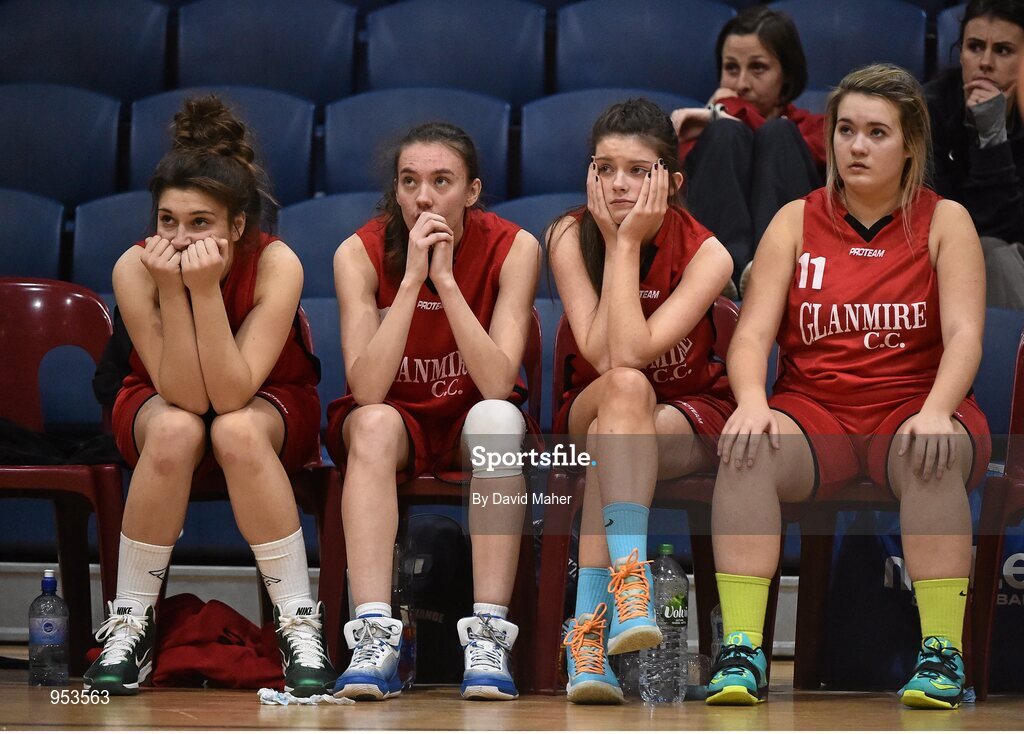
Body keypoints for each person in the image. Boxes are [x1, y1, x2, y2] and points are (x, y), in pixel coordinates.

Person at [707, 64, 991, 710]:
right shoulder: (794, 221)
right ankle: (744, 649)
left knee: (933, 449)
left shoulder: (946, 222)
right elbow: (750, 338)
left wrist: (938, 410)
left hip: (914, 401)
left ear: (911, 144)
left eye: (876, 133)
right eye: (846, 130)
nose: (857, 146)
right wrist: (752, 401)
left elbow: (966, 337)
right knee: (747, 449)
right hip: (817, 411)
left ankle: (942, 652)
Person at [84, 96, 334, 696]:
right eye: (168, 220)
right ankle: (132, 623)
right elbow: (182, 396)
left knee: (236, 428)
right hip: (158, 395)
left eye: (200, 223)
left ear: (237, 225)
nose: (178, 236)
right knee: (176, 428)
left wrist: (199, 292)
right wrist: (176, 292)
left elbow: (229, 393)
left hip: (268, 397)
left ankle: (299, 624)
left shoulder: (278, 264)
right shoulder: (135, 267)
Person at [326, 122, 540, 701]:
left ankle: (490, 635)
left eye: (441, 181)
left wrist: (444, 280)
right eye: (410, 182)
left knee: (499, 420)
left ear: (471, 191)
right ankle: (374, 633)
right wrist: (412, 277)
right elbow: (368, 386)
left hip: (473, 415)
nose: (423, 197)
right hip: (398, 418)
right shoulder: (358, 253)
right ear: (396, 191)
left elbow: (497, 381)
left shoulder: (514, 247)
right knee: (367, 424)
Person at [548, 98, 734, 704]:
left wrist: (624, 247)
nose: (619, 184)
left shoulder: (709, 254)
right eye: (605, 168)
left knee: (619, 428)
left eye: (638, 170)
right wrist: (615, 242)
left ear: (672, 182)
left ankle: (587, 639)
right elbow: (610, 361)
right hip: (595, 402)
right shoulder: (568, 236)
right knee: (623, 392)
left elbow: (629, 347)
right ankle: (631, 589)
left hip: (683, 416)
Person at [670, 5, 825, 294]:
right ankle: (720, 273)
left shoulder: (815, 127)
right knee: (725, 134)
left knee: (779, 132)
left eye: (758, 68)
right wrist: (722, 119)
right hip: (714, 269)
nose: (741, 84)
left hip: (798, 265)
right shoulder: (703, 130)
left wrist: (724, 110)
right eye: (731, 68)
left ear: (787, 77)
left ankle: (771, 267)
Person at [926, 0, 1024, 309]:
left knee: (995, 253)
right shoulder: (930, 109)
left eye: (1003, 50)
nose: (985, 62)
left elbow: (1007, 230)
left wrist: (992, 135)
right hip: (945, 261)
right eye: (975, 47)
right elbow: (933, 218)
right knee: (986, 251)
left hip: (1012, 262)